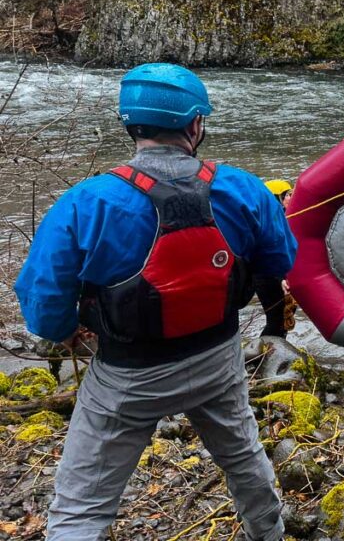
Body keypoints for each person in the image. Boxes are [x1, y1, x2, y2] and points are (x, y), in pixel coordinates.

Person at [14, 63, 296, 540]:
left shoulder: (87, 202)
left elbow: (43, 302)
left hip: (126, 380)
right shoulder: (244, 189)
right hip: (218, 362)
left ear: (131, 124)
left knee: (81, 506)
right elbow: (280, 259)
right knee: (243, 455)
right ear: (195, 124)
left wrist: (67, 332)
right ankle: (269, 532)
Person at [256, 179, 297, 338]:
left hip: (280, 275)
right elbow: (266, 256)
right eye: (288, 195)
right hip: (268, 277)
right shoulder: (269, 225)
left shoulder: (286, 220)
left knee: (284, 319)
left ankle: (272, 352)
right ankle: (264, 355)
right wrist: (279, 279)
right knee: (276, 321)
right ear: (276, 199)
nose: (292, 197)